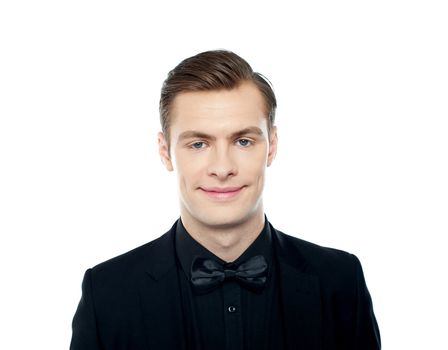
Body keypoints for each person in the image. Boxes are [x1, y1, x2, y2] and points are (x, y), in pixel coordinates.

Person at [70, 50, 381, 350]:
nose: (222, 168)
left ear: (272, 146)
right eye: (198, 144)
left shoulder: (340, 282)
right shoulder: (107, 294)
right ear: (165, 152)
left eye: (243, 141)